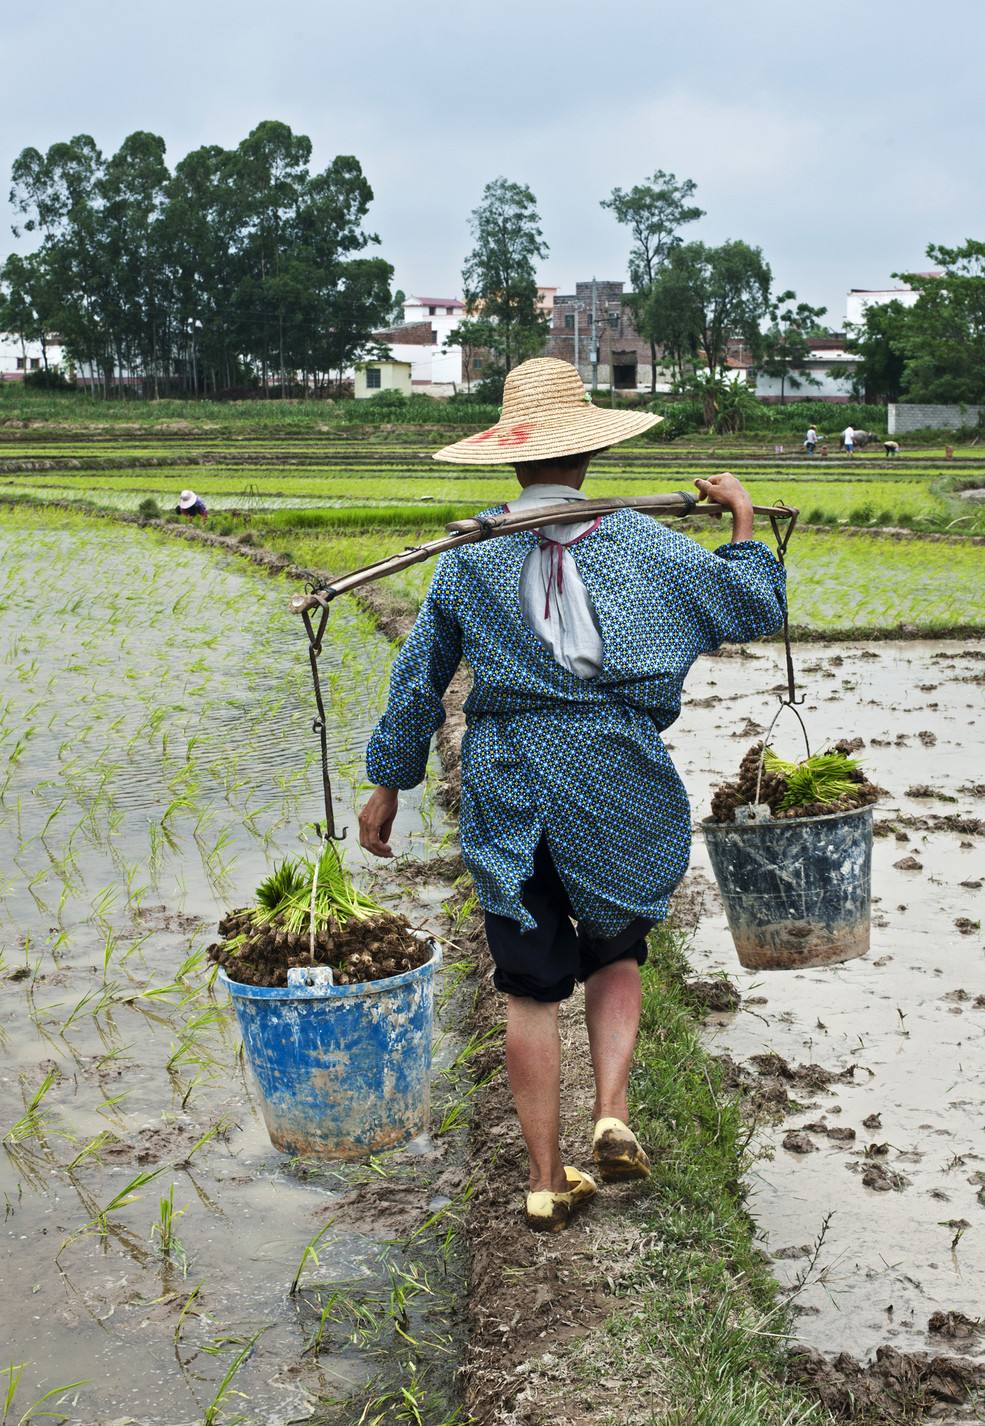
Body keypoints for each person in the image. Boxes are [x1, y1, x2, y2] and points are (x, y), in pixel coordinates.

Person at [358, 358, 786, 1232]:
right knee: (616, 952)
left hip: (510, 782)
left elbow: (418, 683)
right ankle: (612, 1112)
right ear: (588, 453)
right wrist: (740, 513)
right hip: (617, 774)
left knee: (527, 990)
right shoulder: (646, 542)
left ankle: (546, 1180)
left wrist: (387, 786)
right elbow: (750, 604)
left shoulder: (467, 558)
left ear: (509, 461)